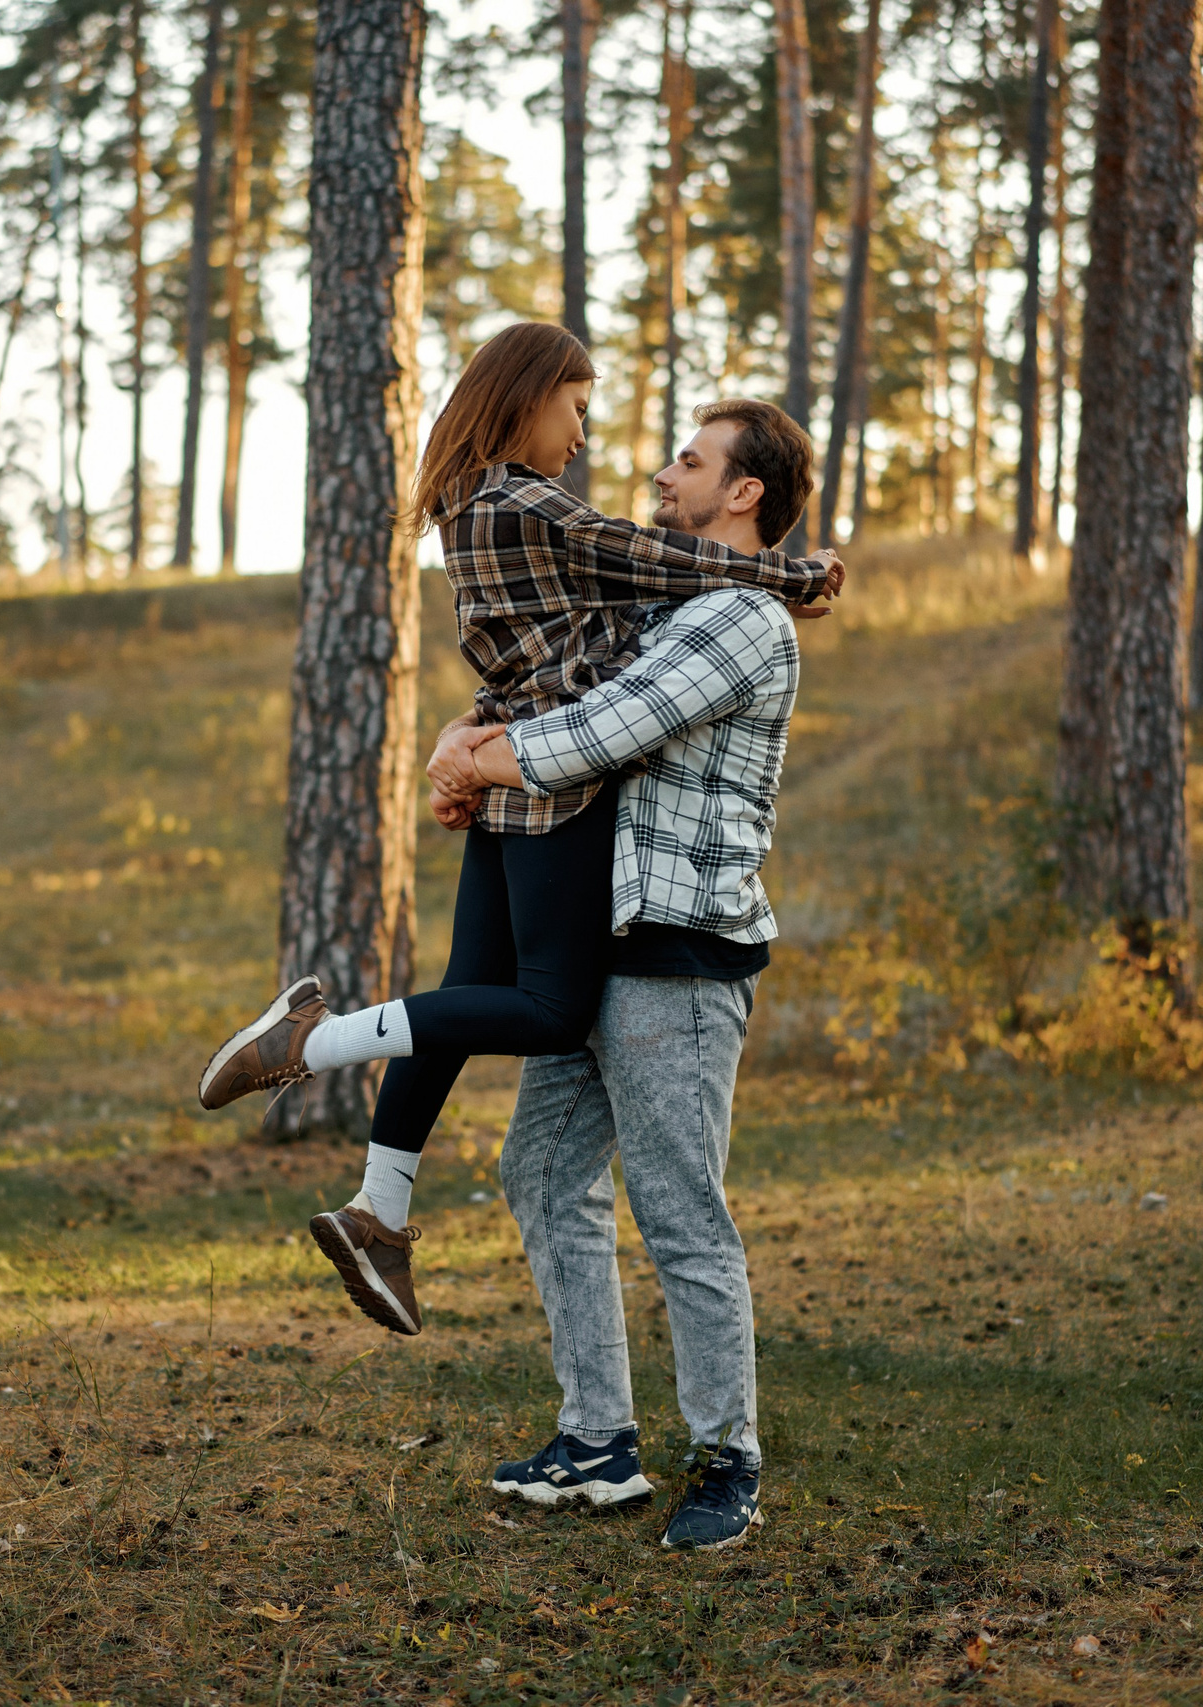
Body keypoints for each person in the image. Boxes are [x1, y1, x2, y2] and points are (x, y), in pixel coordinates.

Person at [195, 324, 839, 1342]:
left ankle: (380, 1211)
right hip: (549, 783)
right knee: (543, 1011)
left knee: (463, 997)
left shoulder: (469, 507)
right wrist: (792, 580)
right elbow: (641, 557)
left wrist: (462, 749)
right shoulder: (520, 498)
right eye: (575, 406)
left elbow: (617, 598)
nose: (585, 435)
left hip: (507, 761)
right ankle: (312, 1043)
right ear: (530, 396)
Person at [427, 398, 816, 1552]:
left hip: (678, 951)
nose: (658, 471)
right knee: (543, 1173)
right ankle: (596, 1439)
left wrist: (476, 760)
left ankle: (726, 1457)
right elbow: (551, 678)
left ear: (742, 495)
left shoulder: (742, 618)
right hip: (596, 944)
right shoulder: (668, 600)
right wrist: (474, 735)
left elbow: (606, 727)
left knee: (678, 1209)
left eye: (688, 461)